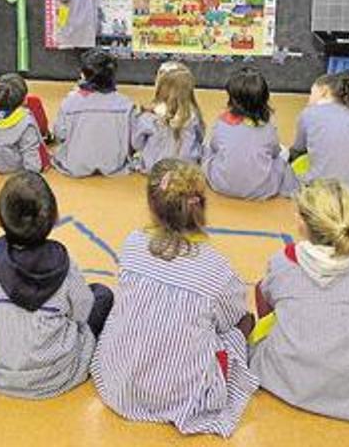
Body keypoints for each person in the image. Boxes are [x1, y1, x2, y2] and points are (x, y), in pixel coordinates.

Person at [92, 160, 257, 437]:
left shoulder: (132, 243)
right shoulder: (217, 268)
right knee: (245, 321)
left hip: (120, 382)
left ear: (152, 206)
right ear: (200, 205)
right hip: (181, 395)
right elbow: (231, 317)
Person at [249, 179, 349, 422]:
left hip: (283, 376)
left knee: (264, 286)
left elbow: (268, 296)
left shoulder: (282, 261)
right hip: (348, 386)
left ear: (302, 224)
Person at [0, 172, 112, 399]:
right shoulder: (64, 265)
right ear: (55, 218)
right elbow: (82, 312)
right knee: (103, 294)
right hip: (54, 376)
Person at [289, 71, 349, 207]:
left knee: (293, 158)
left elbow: (298, 148)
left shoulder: (308, 113)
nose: (309, 99)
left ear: (324, 91)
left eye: (311, 93)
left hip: (322, 193)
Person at [202, 67, 295, 200]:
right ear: (264, 99)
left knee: (206, 146)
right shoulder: (268, 128)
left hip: (221, 185)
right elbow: (275, 152)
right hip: (262, 190)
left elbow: (214, 146)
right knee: (284, 152)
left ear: (232, 99)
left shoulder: (222, 122)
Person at [52, 49, 135, 177]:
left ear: (83, 75)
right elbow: (133, 140)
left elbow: (60, 134)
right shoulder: (126, 104)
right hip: (115, 166)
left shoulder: (69, 102)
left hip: (74, 166)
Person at [0, 73, 50, 177]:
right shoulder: (26, 121)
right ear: (24, 100)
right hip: (20, 173)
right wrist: (33, 176)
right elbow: (30, 154)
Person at [132, 61, 205, 173]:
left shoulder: (149, 117)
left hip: (155, 168)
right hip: (186, 169)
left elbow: (137, 143)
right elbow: (200, 138)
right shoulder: (193, 115)